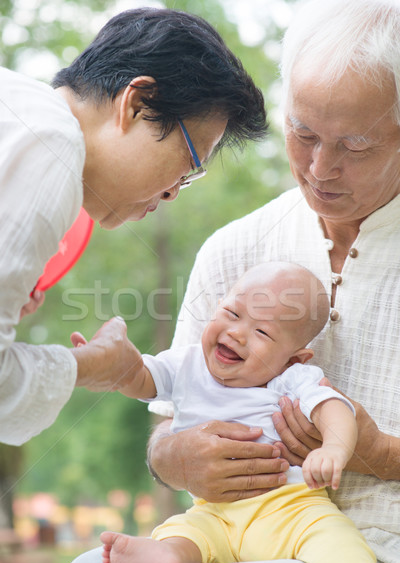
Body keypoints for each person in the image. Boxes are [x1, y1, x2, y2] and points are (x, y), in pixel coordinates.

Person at [48, 0, 400, 563]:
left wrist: (372, 451)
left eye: (356, 146)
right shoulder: (236, 249)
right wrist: (176, 457)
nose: (319, 168)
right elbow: (165, 417)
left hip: (377, 555)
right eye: (303, 132)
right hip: (231, 537)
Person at [0, 8, 266, 446]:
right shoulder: (52, 147)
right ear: (137, 103)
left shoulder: (21, 111)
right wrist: (91, 367)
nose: (173, 194)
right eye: (189, 163)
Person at [99, 262, 386, 563]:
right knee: (185, 530)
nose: (236, 333)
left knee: (339, 544)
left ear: (293, 359)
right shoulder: (187, 364)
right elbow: (143, 380)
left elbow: (334, 408)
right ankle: (170, 554)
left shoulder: (289, 379)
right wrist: (118, 366)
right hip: (215, 511)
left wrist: (333, 449)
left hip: (290, 511)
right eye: (232, 313)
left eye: (262, 333)